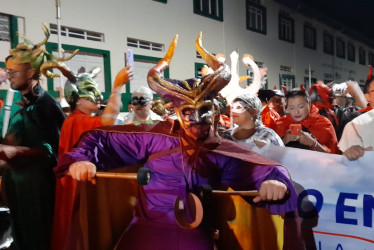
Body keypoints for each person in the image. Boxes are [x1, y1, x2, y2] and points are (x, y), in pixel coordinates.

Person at [55, 33, 297, 249]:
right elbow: (101, 140)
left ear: (213, 109)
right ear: (176, 111)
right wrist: (81, 159)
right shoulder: (155, 137)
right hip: (146, 233)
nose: (197, 119)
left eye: (203, 109)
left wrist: (276, 182)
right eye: (188, 112)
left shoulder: (220, 150)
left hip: (194, 234)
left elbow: (260, 170)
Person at [0, 25, 71, 250]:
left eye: (13, 72)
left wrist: (19, 152)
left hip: (37, 189)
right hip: (16, 186)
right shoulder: (18, 104)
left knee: (38, 240)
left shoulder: (46, 104)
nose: (8, 76)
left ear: (30, 73)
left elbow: (57, 152)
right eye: (7, 71)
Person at [52, 65, 132, 250]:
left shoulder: (77, 119)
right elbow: (109, 120)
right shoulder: (77, 120)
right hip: (76, 186)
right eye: (89, 90)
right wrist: (117, 86)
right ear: (76, 99)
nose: (96, 94)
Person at [274, 89, 339, 153]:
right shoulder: (281, 123)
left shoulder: (323, 123)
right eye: (291, 108)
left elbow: (334, 156)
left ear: (309, 104)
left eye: (301, 107)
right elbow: (273, 153)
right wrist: (284, 140)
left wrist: (313, 143)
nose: (296, 112)